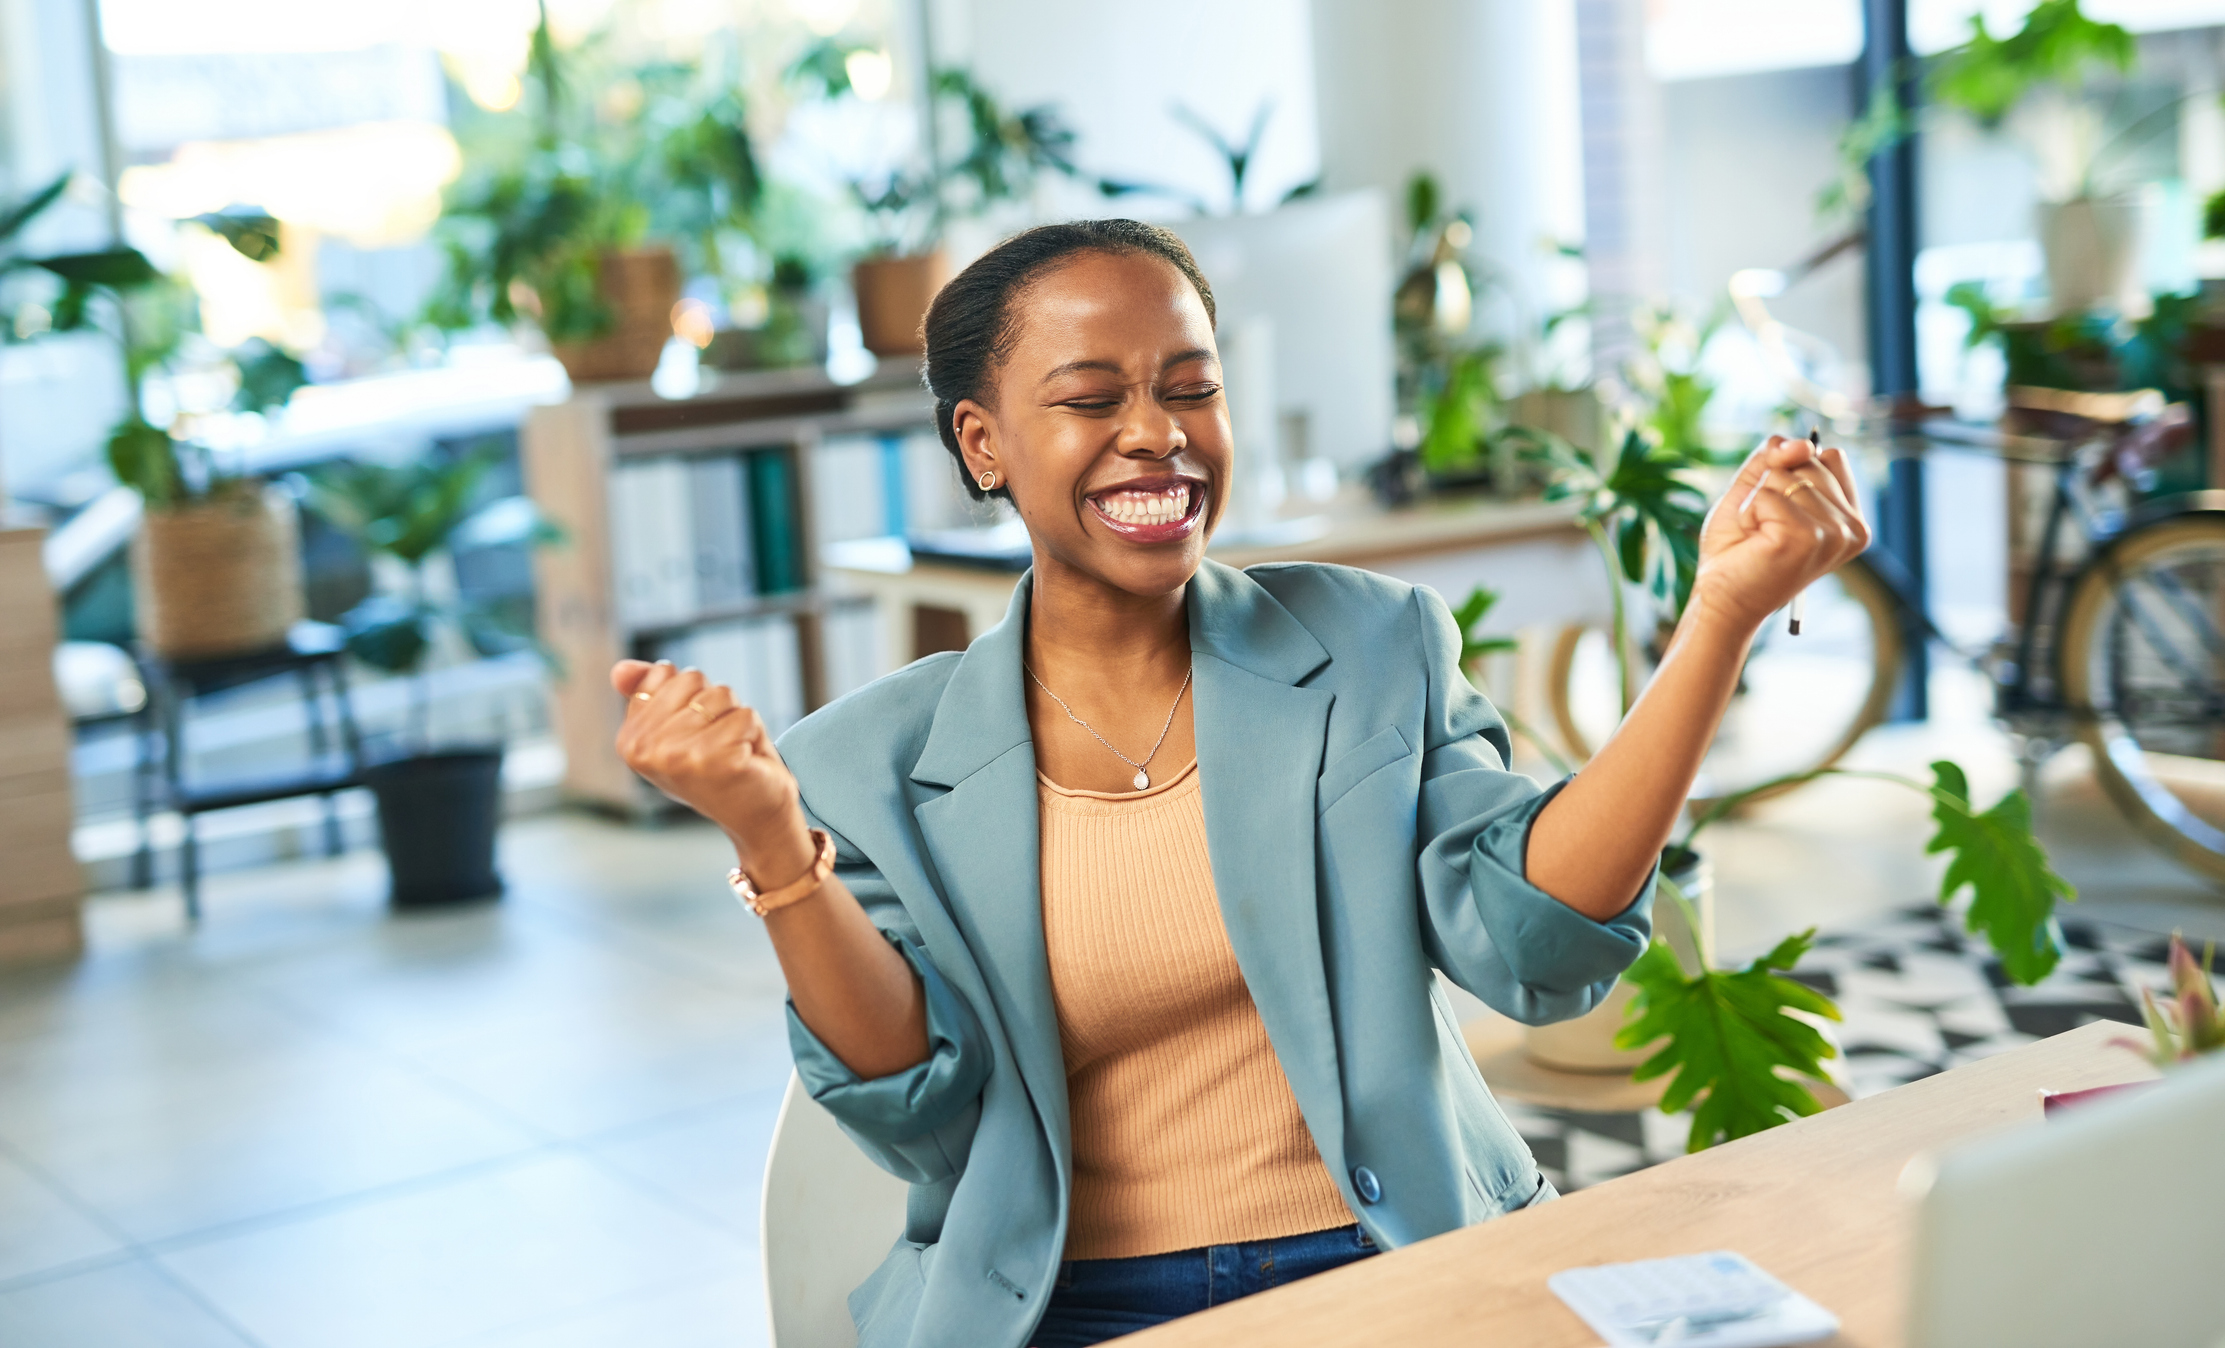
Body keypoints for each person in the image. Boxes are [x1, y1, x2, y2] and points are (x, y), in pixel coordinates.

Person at [610, 219, 1869, 1348]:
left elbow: (1533, 944)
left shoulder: (1376, 644)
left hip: (1393, 1262)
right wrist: (772, 839)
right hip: (1069, 1307)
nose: (1155, 433)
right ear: (981, 442)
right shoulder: (863, 762)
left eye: (1191, 388)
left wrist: (1716, 617)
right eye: (1091, 398)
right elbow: (919, 1110)